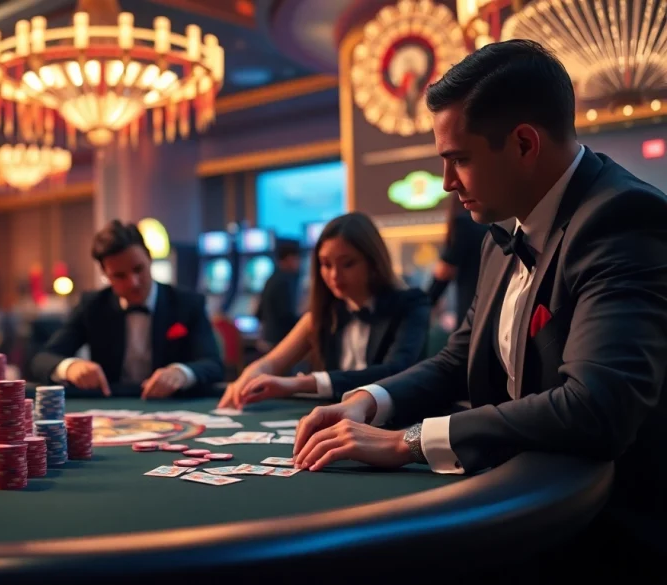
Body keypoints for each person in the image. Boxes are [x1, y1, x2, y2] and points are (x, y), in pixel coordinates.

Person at [291, 40, 667, 572]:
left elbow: (596, 407)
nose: (447, 183)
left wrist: (410, 442)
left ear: (523, 144)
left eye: (459, 160)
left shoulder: (622, 219)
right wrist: (368, 402)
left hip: (601, 531)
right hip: (512, 503)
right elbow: (457, 359)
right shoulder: (500, 232)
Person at [218, 212, 430, 409]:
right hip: (336, 419)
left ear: (373, 263)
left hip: (395, 422)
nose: (334, 275)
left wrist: (301, 383)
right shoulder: (322, 315)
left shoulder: (411, 304)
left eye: (347, 264)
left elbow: (395, 372)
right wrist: (251, 375)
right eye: (326, 264)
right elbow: (271, 363)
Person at [31, 220, 224, 399]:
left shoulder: (188, 303)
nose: (133, 282)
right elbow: (42, 359)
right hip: (111, 407)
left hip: (171, 403)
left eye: (138, 269)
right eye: (120, 276)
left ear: (150, 258)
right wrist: (70, 367)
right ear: (106, 275)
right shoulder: (92, 306)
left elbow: (213, 365)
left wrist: (181, 372)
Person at [427, 199, 487, 324]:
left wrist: (424, 302)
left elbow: (444, 271)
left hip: (471, 308)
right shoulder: (496, 225)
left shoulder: (464, 223)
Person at [256, 239, 302, 348]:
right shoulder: (284, 281)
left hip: (267, 338)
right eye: (297, 259)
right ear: (289, 259)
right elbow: (286, 316)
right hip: (280, 342)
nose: (299, 263)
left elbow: (258, 313)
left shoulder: (271, 278)